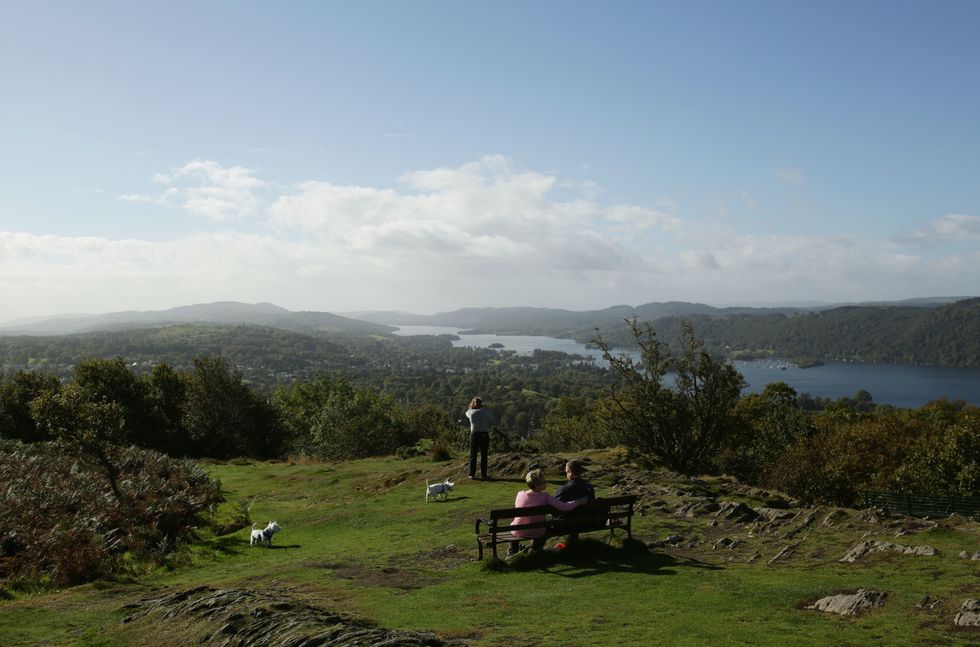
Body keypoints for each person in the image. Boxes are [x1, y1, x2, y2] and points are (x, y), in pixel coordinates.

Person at [509, 469, 587, 554]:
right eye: (544, 482)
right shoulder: (545, 497)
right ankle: (536, 548)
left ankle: (512, 553)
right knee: (548, 526)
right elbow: (565, 507)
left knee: (518, 523)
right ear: (537, 485)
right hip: (537, 531)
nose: (546, 483)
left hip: (517, 531)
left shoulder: (520, 494)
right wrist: (579, 501)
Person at [553, 459, 596, 546]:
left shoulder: (563, 489)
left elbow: (555, 510)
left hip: (567, 524)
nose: (566, 474)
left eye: (566, 472)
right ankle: (573, 544)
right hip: (587, 522)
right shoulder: (589, 487)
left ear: (570, 472)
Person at [465, 396, 492, 480]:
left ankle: (471, 474)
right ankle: (484, 475)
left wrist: (471, 406)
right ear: (481, 404)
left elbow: (466, 412)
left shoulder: (470, 412)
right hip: (484, 434)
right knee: (484, 455)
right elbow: (491, 417)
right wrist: (485, 408)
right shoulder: (484, 412)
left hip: (474, 434)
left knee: (473, 454)